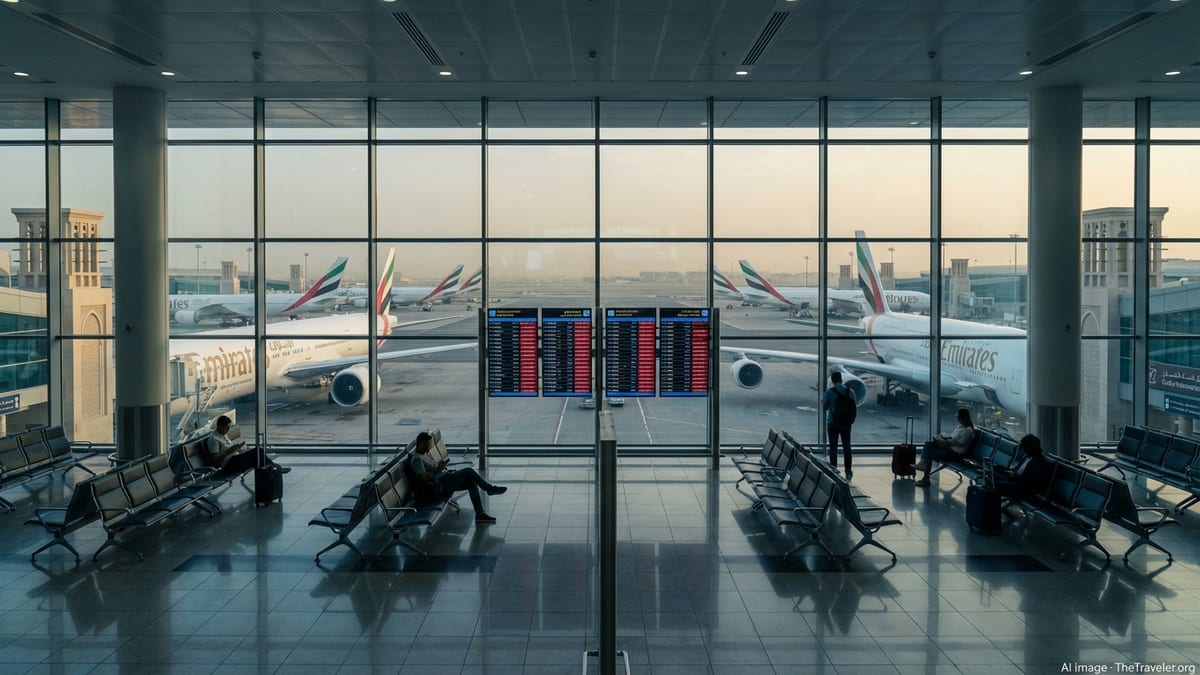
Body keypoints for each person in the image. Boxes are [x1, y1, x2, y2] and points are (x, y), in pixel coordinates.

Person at [409, 431, 507, 524]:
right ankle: (489, 489)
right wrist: (438, 468)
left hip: (445, 480)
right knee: (469, 471)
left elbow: (431, 470)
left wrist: (440, 466)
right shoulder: (416, 459)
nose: (430, 446)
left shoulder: (423, 455)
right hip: (439, 485)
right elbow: (424, 477)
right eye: (428, 443)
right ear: (421, 443)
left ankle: (480, 514)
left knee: (471, 482)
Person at [206, 415, 290, 477]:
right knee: (258, 452)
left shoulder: (223, 435)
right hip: (229, 464)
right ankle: (273, 469)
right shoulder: (213, 439)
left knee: (257, 456)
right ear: (220, 426)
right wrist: (230, 450)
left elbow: (229, 449)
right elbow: (215, 459)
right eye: (226, 428)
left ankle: (270, 471)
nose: (228, 430)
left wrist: (238, 448)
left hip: (236, 460)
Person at [914, 408, 975, 487]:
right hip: (950, 449)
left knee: (929, 453)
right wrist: (945, 438)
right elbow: (953, 438)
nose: (956, 418)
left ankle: (925, 476)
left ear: (962, 418)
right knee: (929, 443)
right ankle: (923, 467)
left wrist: (946, 441)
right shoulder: (960, 427)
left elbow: (960, 443)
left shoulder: (968, 431)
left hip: (955, 454)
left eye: (958, 417)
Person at [992, 434, 1055, 500]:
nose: (1024, 450)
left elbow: (1035, 481)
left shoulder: (1043, 462)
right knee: (993, 476)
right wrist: (1003, 469)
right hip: (1017, 483)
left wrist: (1016, 476)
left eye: (1025, 448)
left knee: (998, 485)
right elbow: (1016, 471)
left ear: (1032, 448)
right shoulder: (1027, 457)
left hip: (1027, 489)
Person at [822, 371, 857, 478]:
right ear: (841, 379)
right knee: (847, 447)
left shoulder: (829, 392)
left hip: (833, 423)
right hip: (846, 423)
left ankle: (834, 470)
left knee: (833, 447)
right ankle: (848, 470)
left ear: (832, 381)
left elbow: (824, 408)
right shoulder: (850, 391)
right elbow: (854, 406)